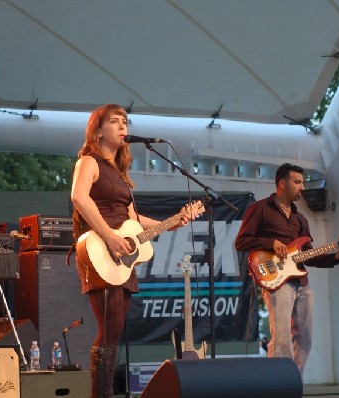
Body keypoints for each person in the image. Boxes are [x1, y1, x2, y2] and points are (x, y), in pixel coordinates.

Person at [70, 104, 198, 397]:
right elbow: (78, 197)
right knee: (109, 331)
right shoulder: (89, 162)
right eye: (114, 121)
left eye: (124, 121)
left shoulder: (120, 174)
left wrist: (174, 222)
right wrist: (109, 237)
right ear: (98, 131)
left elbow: (134, 221)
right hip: (100, 247)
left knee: (114, 330)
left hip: (120, 253)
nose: (122, 126)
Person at [235, 163, 339, 374]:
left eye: (302, 183)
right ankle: (278, 386)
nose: (302, 188)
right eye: (297, 182)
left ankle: (292, 384)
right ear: (282, 183)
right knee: (282, 340)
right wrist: (271, 243)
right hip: (277, 282)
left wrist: (337, 255)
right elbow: (241, 242)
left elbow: (309, 255)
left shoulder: (301, 219)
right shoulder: (260, 209)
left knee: (305, 340)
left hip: (302, 283)